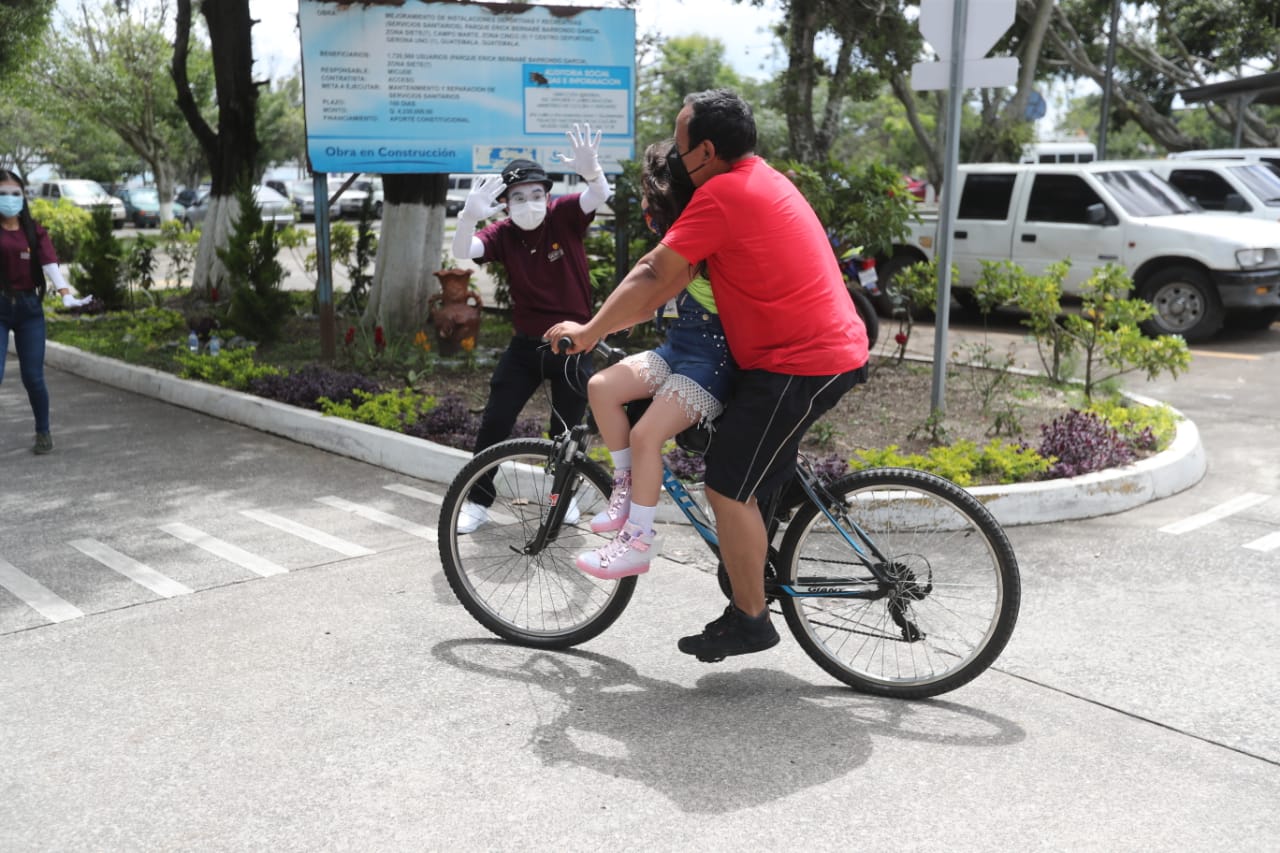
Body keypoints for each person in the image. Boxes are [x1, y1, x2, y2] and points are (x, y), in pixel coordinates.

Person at [545, 90, 870, 661]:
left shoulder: (722, 193)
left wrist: (593, 329)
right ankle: (771, 511)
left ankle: (751, 619)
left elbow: (653, 273)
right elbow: (663, 287)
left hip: (799, 360)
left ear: (707, 150)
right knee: (745, 466)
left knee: (726, 485)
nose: (674, 151)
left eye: (680, 140)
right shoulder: (758, 176)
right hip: (806, 350)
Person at [567, 139, 735, 580]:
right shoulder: (678, 234)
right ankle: (624, 489)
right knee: (602, 387)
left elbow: (651, 283)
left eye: (647, 192)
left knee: (645, 435)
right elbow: (654, 302)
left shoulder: (693, 241)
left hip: (710, 363)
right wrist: (599, 326)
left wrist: (591, 330)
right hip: (678, 350)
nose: (643, 201)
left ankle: (638, 541)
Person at [451, 123, 612, 533]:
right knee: (496, 422)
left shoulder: (563, 217)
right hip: (526, 347)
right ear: (504, 204)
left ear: (548, 195)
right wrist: (468, 216)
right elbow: (462, 251)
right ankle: (478, 500)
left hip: (573, 344)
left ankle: (563, 501)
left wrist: (593, 173)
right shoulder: (503, 234)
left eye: (537, 194)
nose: (529, 203)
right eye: (519, 197)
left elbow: (599, 196)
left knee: (564, 433)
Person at [0, 169, 91, 455]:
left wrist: (65, 293)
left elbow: (49, 262)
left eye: (15, 194)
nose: (9, 199)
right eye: (2, 194)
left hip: (29, 310)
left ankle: (43, 431)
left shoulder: (33, 230)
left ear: (24, 196)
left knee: (33, 377)